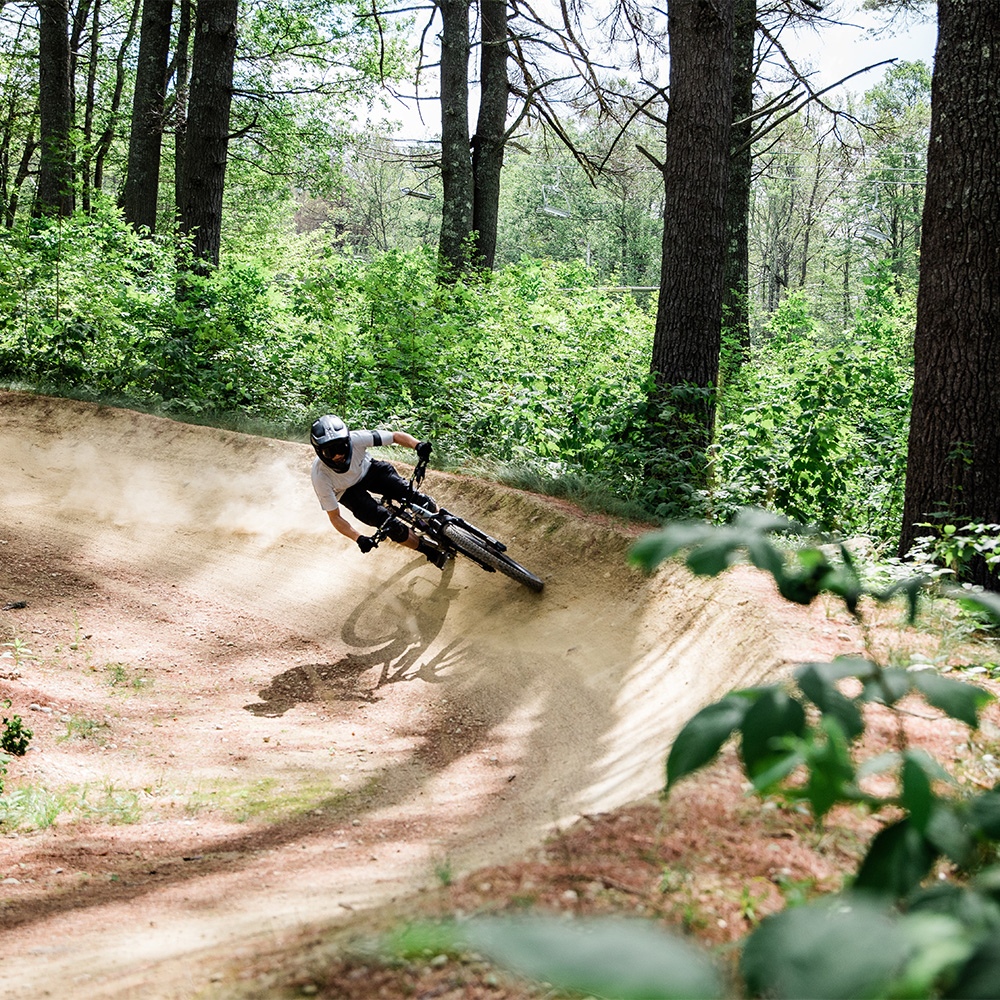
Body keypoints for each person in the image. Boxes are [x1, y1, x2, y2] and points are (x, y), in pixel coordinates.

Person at [309, 414, 448, 568]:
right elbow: (335, 517)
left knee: (412, 496)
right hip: (346, 491)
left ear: (348, 441)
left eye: (340, 447)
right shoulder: (320, 476)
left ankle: (443, 525)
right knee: (387, 524)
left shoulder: (357, 439)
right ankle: (429, 552)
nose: (338, 455)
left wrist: (418, 445)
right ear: (318, 452)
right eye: (329, 452)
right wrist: (358, 538)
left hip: (368, 470)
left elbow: (394, 436)